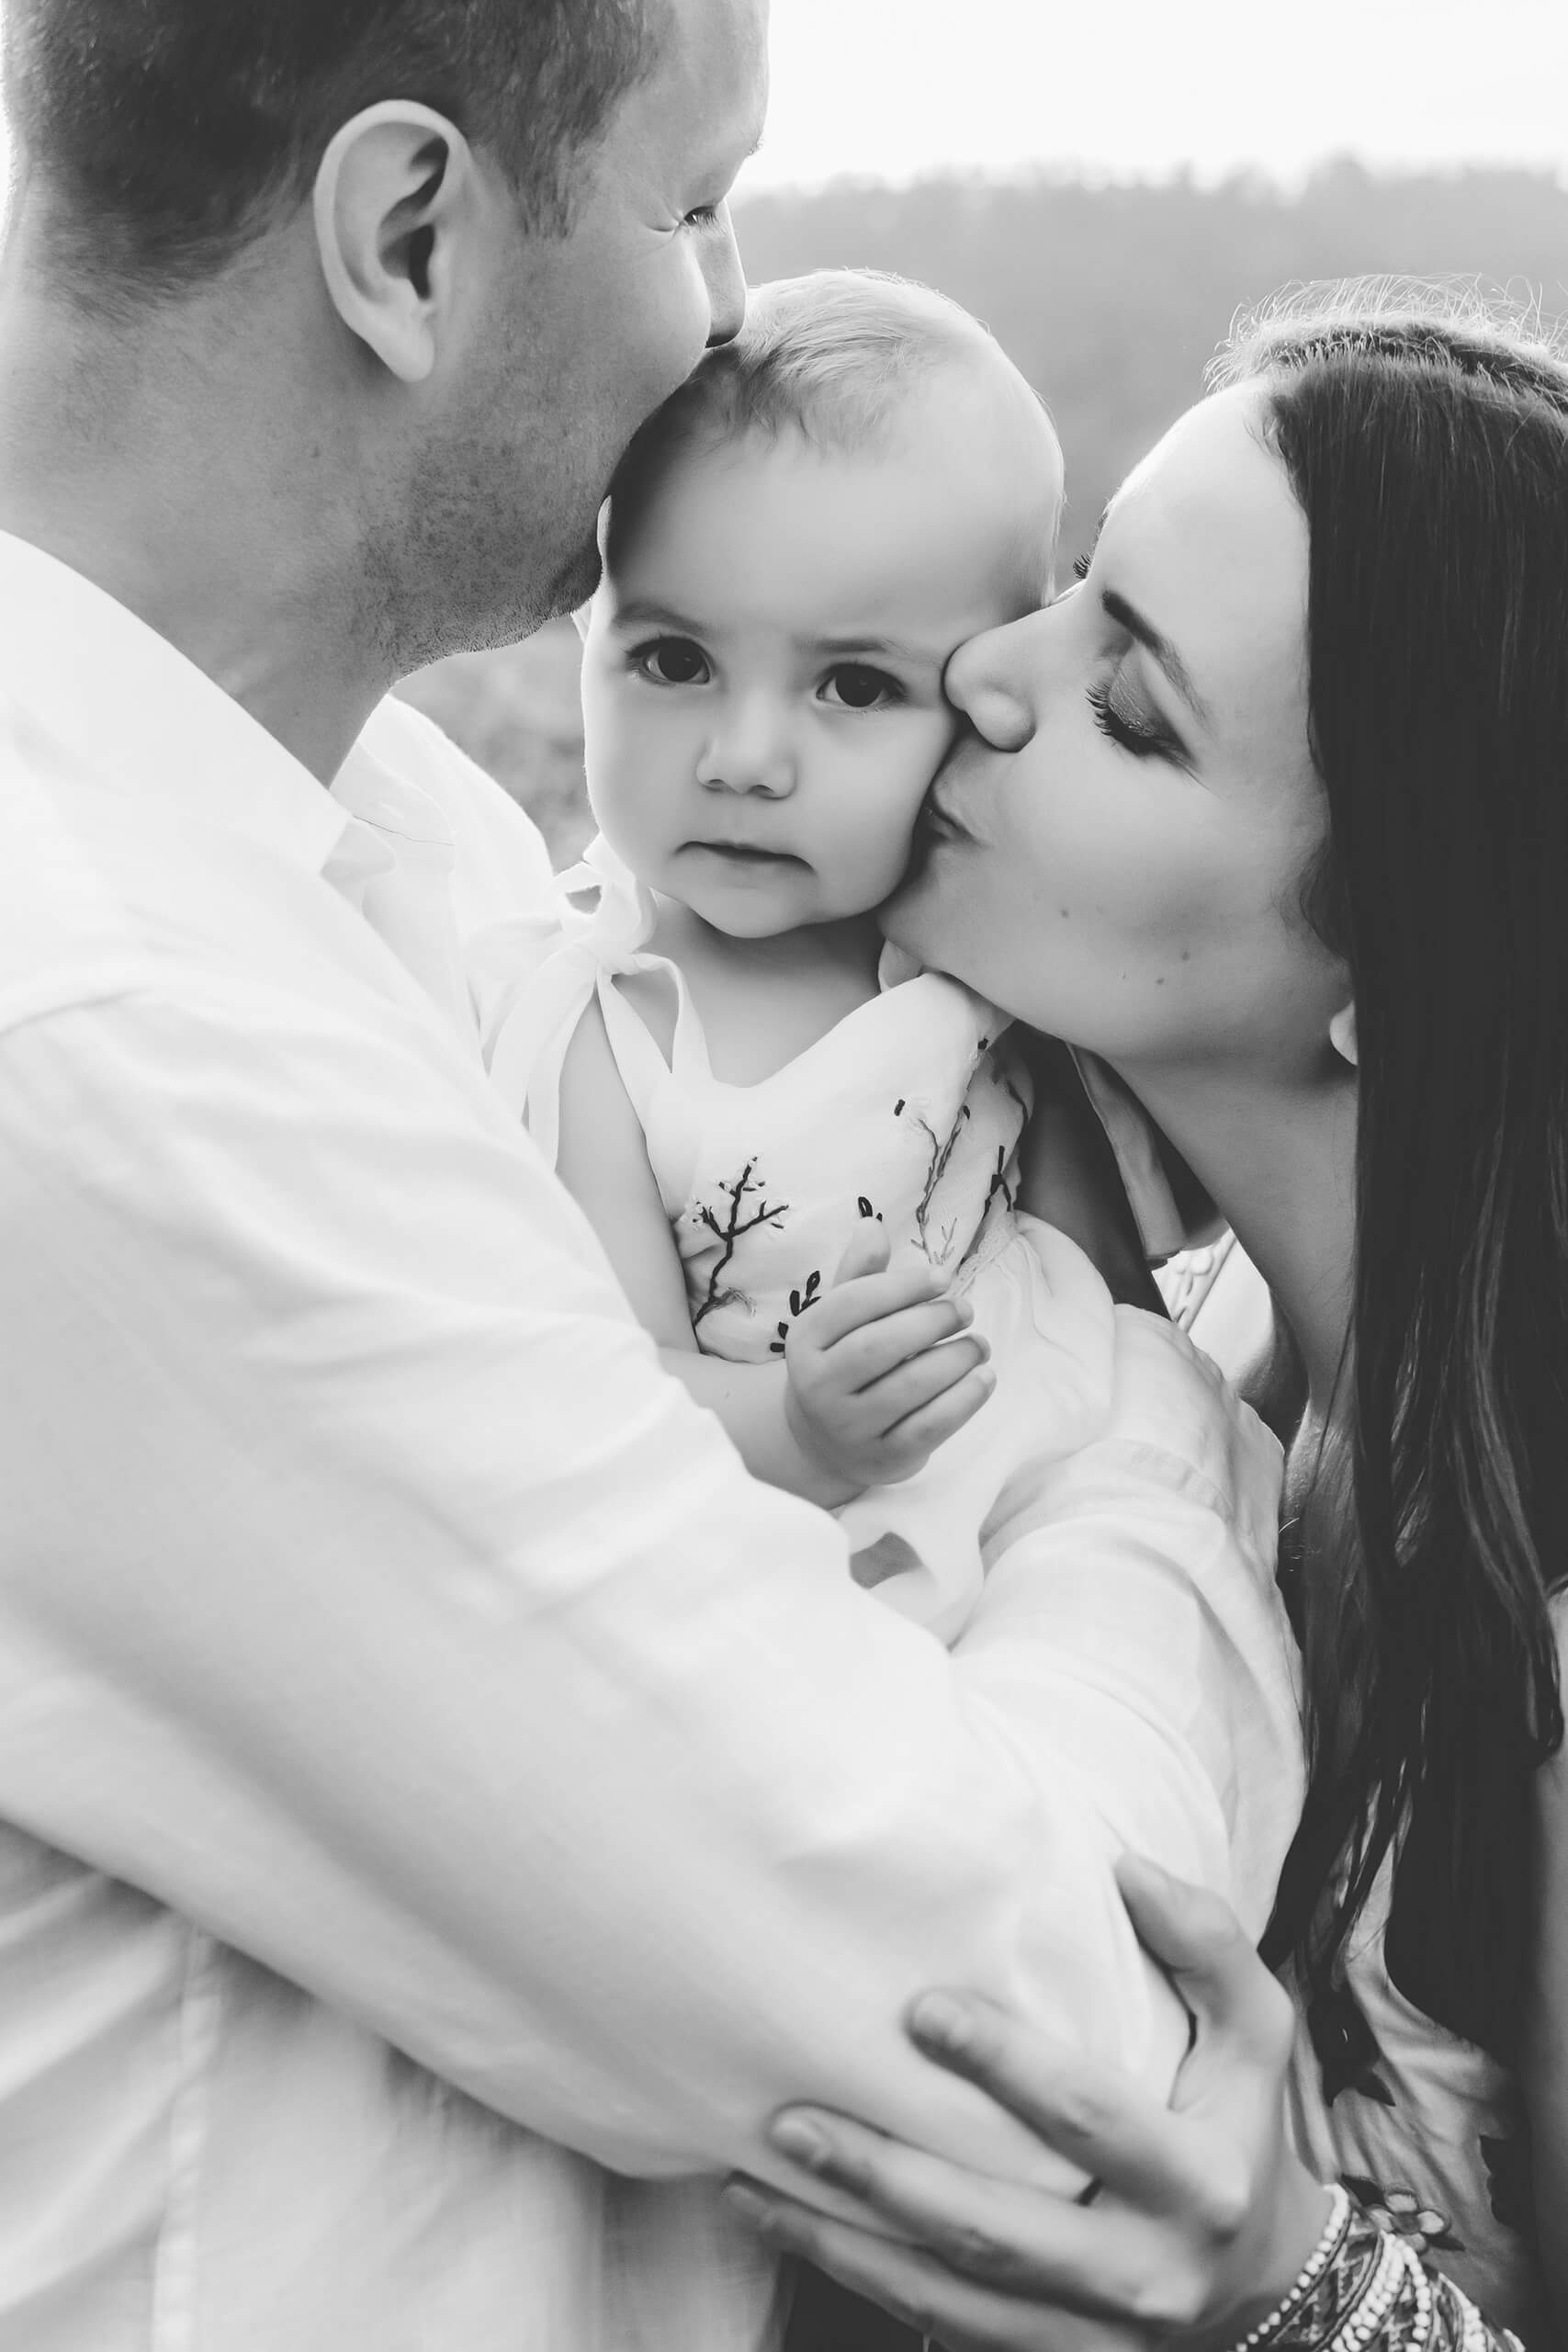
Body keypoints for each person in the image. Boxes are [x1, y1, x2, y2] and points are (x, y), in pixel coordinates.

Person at [0, 6, 1303, 2349]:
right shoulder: (118, 1045)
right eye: (698, 204)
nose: (731, 310)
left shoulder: (397, 855)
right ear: (407, 237)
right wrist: (1133, 1426)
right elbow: (1052, 2053)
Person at [726, 288, 1568, 2350]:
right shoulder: (1130, 1376)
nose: (984, 678)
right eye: (1077, 583)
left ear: (1396, 960)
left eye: (1133, 707)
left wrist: (1302, 2287)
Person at [475, 268, 1235, 1640]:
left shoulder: (986, 970)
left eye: (854, 687)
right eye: (672, 661)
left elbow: (1104, 1286)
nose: (747, 758)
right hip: (847, 1588)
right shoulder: (615, 1023)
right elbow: (621, 1388)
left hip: (1099, 1509)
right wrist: (799, 1427)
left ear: (979, 693)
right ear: (588, 638)